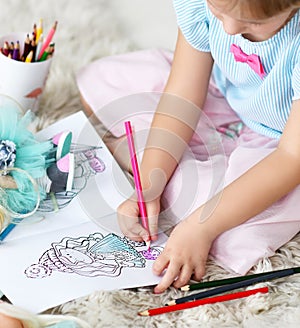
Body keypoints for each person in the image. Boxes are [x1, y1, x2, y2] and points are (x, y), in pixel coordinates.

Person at [76, 0, 300, 294]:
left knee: (238, 232)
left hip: (281, 143)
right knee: (104, 78)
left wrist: (201, 227)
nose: (230, 29)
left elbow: (290, 159)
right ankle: (156, 162)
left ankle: (143, 156)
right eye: (218, 10)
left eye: (253, 24)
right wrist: (149, 185)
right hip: (222, 97)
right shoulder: (204, 6)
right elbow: (182, 95)